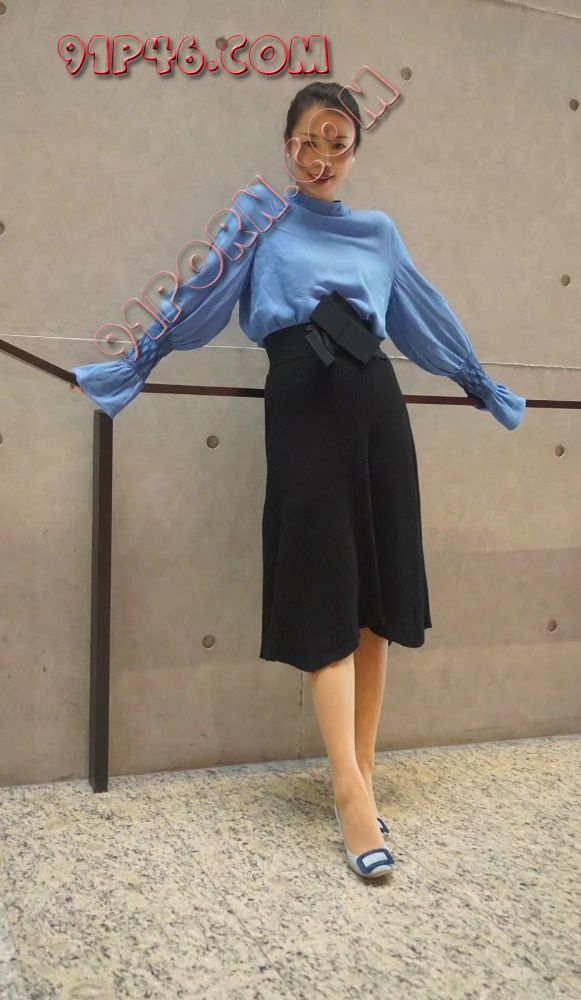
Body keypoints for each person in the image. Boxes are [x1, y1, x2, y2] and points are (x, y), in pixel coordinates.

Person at [70, 82, 526, 880]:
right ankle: (349, 801)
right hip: (303, 406)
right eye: (307, 141)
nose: (321, 158)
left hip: (375, 405)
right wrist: (137, 360)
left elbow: (424, 314)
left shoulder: (378, 233)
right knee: (324, 592)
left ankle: (362, 778)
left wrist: (479, 384)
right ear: (287, 146)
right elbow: (202, 294)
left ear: (354, 148)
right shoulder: (259, 218)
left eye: (336, 142)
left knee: (375, 606)